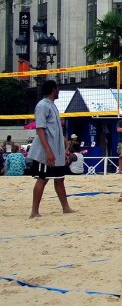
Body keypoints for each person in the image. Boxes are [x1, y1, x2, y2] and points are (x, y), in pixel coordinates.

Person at [27, 80, 74, 218]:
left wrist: (64, 142)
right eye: (58, 89)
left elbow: (53, 129)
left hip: (55, 150)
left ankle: (66, 208)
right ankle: (34, 212)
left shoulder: (51, 105)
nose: (59, 91)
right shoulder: (42, 106)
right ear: (54, 90)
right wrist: (48, 151)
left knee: (59, 178)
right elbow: (40, 130)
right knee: (42, 178)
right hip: (46, 151)